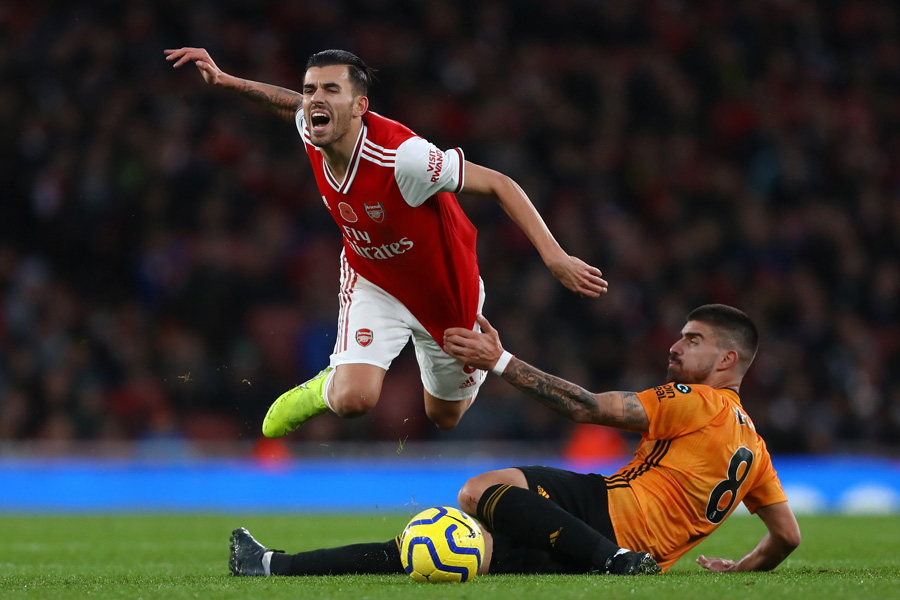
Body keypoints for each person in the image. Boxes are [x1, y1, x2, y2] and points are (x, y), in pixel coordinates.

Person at [164, 47, 607, 436]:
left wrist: (556, 258)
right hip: (373, 278)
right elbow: (288, 107)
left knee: (445, 416)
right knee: (356, 399)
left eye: (330, 90)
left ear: (360, 106)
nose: (315, 98)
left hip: (445, 293)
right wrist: (226, 80)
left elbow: (500, 184)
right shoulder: (314, 128)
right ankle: (327, 386)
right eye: (310, 88)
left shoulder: (404, 158)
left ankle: (418, 365)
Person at [228, 304, 801, 576]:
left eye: (692, 340)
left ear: (728, 359)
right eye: (679, 337)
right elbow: (786, 537)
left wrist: (498, 360)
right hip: (608, 516)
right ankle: (272, 565)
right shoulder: (755, 450)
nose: (675, 348)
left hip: (614, 517)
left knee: (470, 506)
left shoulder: (697, 401)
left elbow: (587, 407)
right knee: (463, 522)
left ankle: (617, 563)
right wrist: (740, 571)